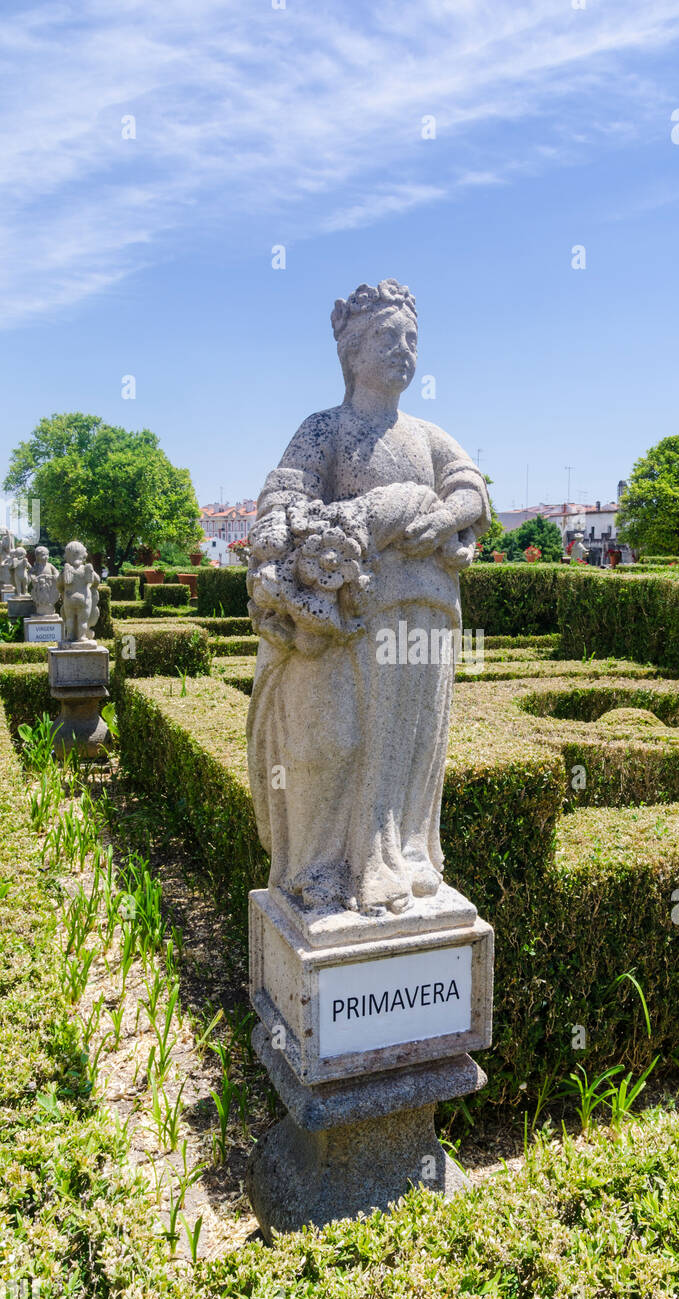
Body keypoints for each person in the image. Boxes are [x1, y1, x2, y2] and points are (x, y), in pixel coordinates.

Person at [246, 279, 490, 917]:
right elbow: (280, 504)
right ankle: (320, 865)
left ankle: (402, 856)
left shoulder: (428, 435)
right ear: (351, 352)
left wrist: (443, 519)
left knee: (409, 744)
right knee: (331, 741)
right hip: (347, 623)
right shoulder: (325, 429)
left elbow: (470, 490)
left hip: (423, 614)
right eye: (386, 336)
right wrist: (365, 515)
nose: (403, 349)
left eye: (412, 339)